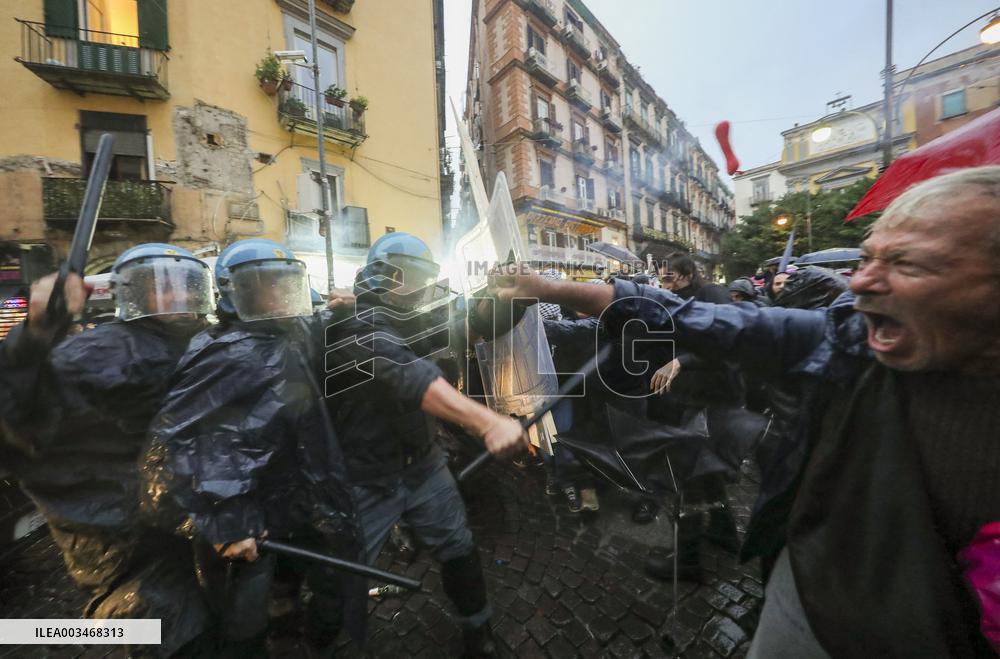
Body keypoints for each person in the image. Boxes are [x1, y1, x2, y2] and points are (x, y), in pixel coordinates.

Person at [486, 166, 1000, 657]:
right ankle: (708, 542)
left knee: (699, 475)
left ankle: (700, 546)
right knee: (696, 478)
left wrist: (681, 361)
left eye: (909, 264)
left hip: (916, 630)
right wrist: (549, 289)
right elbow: (702, 321)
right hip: (809, 591)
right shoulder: (848, 338)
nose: (862, 283)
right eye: (867, 260)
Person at [142, 239, 364, 658]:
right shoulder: (223, 353)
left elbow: (315, 326)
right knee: (243, 617)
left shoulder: (290, 330)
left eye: (284, 282)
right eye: (264, 284)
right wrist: (228, 520)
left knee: (311, 584)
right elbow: (181, 444)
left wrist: (341, 309)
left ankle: (295, 630)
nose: (277, 293)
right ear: (235, 292)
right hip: (252, 516)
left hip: (297, 497)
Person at [0, 244, 216, 657]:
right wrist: (34, 336)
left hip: (200, 527)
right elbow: (15, 413)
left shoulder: (210, 343)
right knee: (168, 634)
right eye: (159, 286)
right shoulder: (96, 354)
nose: (175, 296)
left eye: (185, 285)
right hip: (127, 541)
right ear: (132, 292)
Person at [322, 232, 527, 656]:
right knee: (340, 571)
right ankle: (316, 639)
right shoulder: (350, 324)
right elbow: (407, 374)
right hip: (364, 476)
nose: (418, 288)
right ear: (381, 276)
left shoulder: (416, 319)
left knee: (458, 547)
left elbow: (477, 323)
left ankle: (478, 628)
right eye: (408, 277)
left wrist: (507, 294)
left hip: (423, 465)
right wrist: (487, 421)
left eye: (423, 277)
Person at [658, 252, 730, 303]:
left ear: (689, 274)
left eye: (669, 279)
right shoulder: (668, 300)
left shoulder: (711, 292)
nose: (664, 287)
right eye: (661, 281)